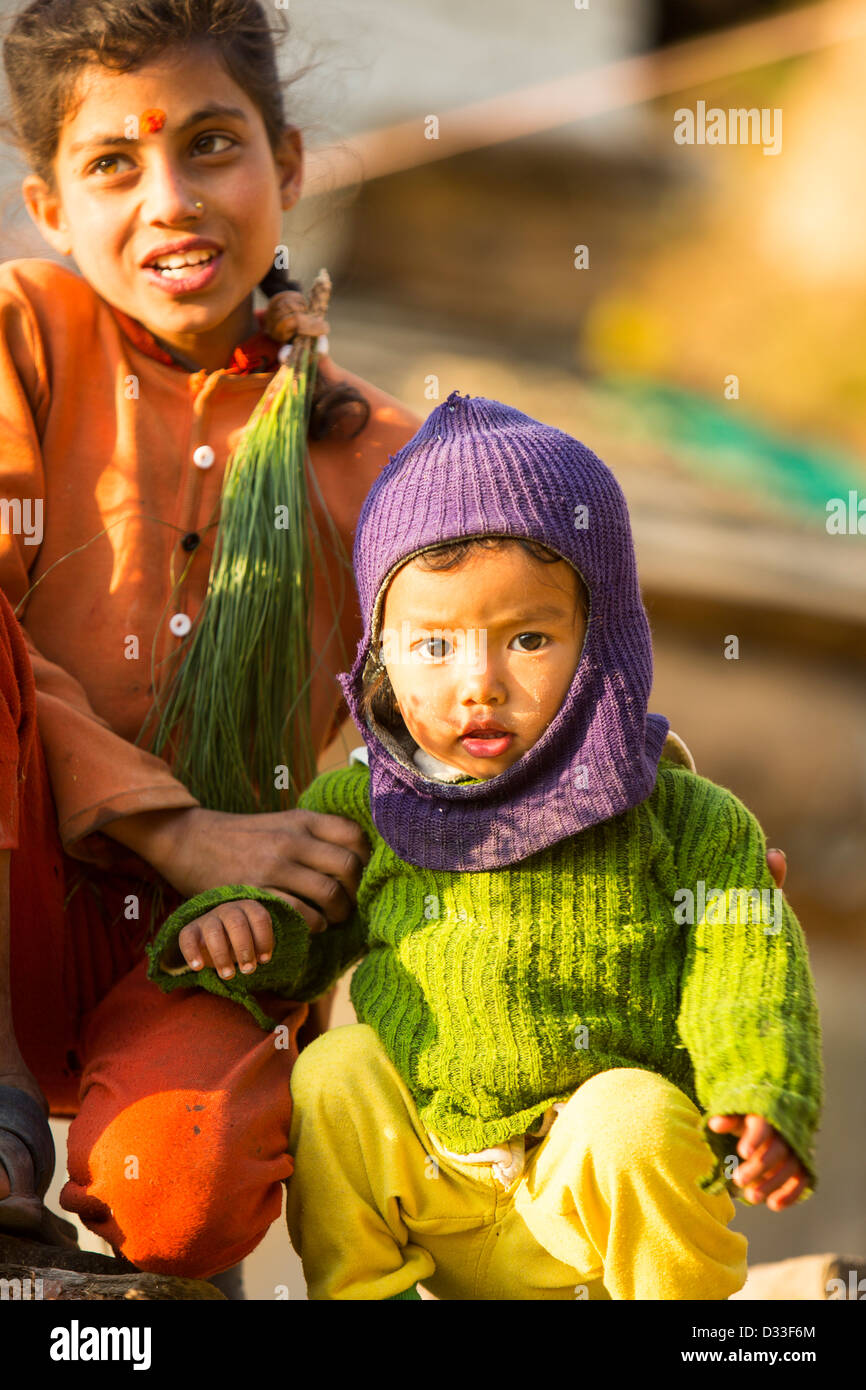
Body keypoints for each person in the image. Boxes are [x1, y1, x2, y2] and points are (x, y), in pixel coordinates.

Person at [148, 391, 823, 1300]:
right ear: (380, 656)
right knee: (338, 1069)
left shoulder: (682, 817)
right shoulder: (364, 803)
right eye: (433, 645)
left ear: (605, 640)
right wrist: (242, 928)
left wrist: (760, 1093)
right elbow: (305, 934)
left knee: (631, 1117)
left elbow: (747, 969)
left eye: (530, 637)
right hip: (440, 1188)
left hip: (590, 1215)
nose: (479, 684)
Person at [0, 0, 423, 1275]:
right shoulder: (25, 337)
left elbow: (481, 706)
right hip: (14, 879)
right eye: (114, 164)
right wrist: (170, 823)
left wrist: (650, 819)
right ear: (48, 208)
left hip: (208, 943)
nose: (171, 198)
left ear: (287, 167)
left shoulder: (382, 459)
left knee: (179, 1190)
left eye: (212, 145)